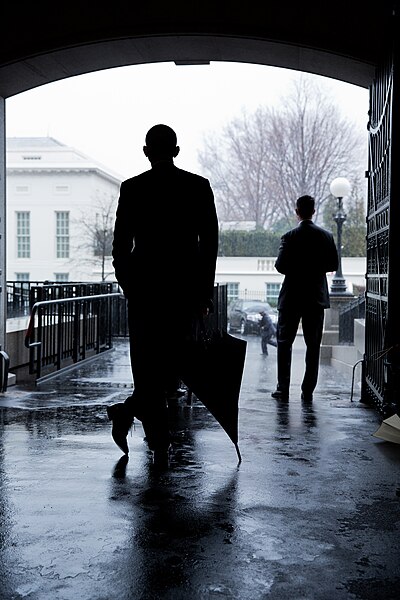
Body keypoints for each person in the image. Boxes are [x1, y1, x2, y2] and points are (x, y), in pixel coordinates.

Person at [107, 124, 218, 467]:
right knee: (173, 365)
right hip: (183, 290)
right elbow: (209, 246)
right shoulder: (197, 187)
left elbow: (121, 244)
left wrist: (129, 283)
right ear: (176, 150)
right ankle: (144, 429)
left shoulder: (133, 188)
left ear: (146, 151)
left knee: (146, 365)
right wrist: (203, 293)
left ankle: (154, 437)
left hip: (145, 290)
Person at [271, 195, 338, 402]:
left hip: (291, 297)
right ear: (314, 211)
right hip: (315, 298)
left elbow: (280, 266)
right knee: (313, 345)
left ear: (297, 211)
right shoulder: (326, 236)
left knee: (284, 343)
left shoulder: (289, 237)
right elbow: (333, 265)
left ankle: (283, 388)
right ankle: (307, 390)